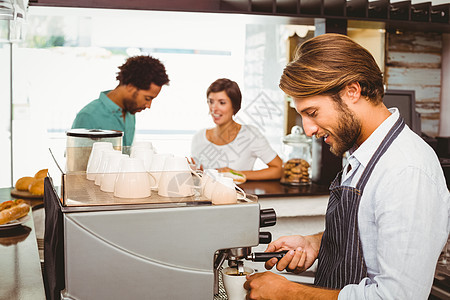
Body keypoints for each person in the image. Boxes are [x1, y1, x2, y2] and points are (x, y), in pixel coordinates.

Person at [244, 33, 450, 299]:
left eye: (312, 112)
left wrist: (287, 292)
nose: (308, 129)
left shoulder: (406, 171)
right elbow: (370, 232)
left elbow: (398, 296)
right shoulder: (365, 152)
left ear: (352, 91)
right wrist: (317, 243)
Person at [190, 78, 282, 181]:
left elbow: (278, 169)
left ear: (234, 105)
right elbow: (198, 177)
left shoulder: (250, 135)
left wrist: (235, 174)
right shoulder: (199, 137)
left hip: (238, 196)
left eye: (222, 103)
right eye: (211, 102)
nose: (214, 108)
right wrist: (191, 172)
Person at [72, 55, 170, 146]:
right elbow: (76, 161)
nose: (148, 105)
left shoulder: (130, 113)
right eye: (147, 98)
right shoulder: (88, 116)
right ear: (131, 86)